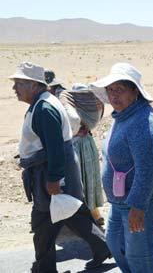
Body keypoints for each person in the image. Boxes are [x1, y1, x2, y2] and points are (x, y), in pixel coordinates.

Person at [10, 62, 110, 272]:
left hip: (51, 173)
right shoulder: (41, 103)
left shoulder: (45, 108)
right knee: (70, 214)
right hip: (52, 171)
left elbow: (55, 148)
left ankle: (45, 267)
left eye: (19, 83)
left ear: (33, 85)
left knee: (45, 220)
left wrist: (54, 179)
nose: (14, 88)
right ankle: (102, 248)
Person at [90, 62, 153, 273]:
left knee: (140, 254)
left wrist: (138, 207)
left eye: (120, 90)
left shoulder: (143, 122)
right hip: (120, 201)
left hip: (140, 201)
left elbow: (147, 170)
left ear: (135, 91)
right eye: (110, 90)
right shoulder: (123, 115)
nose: (114, 96)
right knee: (116, 245)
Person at [45, 70, 106, 226]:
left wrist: (70, 132)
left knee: (78, 182)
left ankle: (82, 217)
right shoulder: (69, 95)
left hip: (76, 144)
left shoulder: (62, 98)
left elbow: (73, 119)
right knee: (89, 178)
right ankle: (93, 213)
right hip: (88, 142)